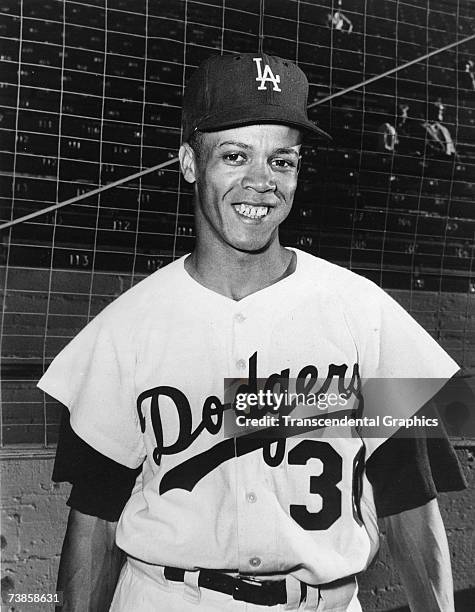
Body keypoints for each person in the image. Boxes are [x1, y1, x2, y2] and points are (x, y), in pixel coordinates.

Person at [39, 53, 466, 612]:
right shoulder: (127, 326)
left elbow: (411, 498)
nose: (261, 182)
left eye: (281, 160)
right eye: (235, 156)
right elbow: (93, 519)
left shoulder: (364, 312)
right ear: (190, 164)